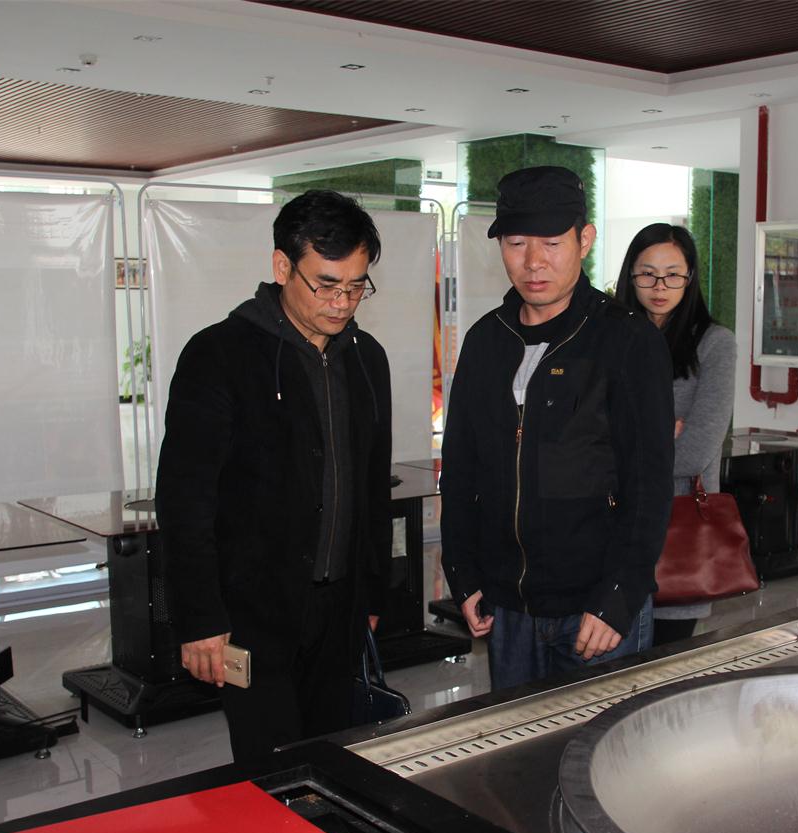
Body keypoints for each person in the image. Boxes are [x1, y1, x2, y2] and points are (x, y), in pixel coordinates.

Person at [155, 190, 392, 766]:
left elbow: (371, 487)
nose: (342, 303)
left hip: (339, 607)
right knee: (271, 769)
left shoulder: (367, 357)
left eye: (356, 286)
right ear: (282, 266)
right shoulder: (218, 355)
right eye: (326, 285)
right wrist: (201, 619)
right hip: (251, 613)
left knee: (335, 760)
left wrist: (371, 590)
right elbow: (185, 501)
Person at [440, 166, 674, 692]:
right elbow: (460, 471)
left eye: (551, 242)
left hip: (596, 609)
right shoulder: (485, 341)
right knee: (516, 742)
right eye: (516, 243)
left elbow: (649, 485)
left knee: (601, 740)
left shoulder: (627, 341)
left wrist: (618, 597)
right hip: (508, 608)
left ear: (584, 240)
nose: (533, 262)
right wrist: (463, 573)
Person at [614, 224, 738, 645]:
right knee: (608, 667)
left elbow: (697, 449)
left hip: (677, 528)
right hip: (609, 528)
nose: (659, 287)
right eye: (647, 274)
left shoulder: (714, 344)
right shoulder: (611, 339)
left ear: (690, 277)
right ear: (630, 276)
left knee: (662, 665)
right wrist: (660, 435)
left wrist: (625, 442)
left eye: (672, 275)